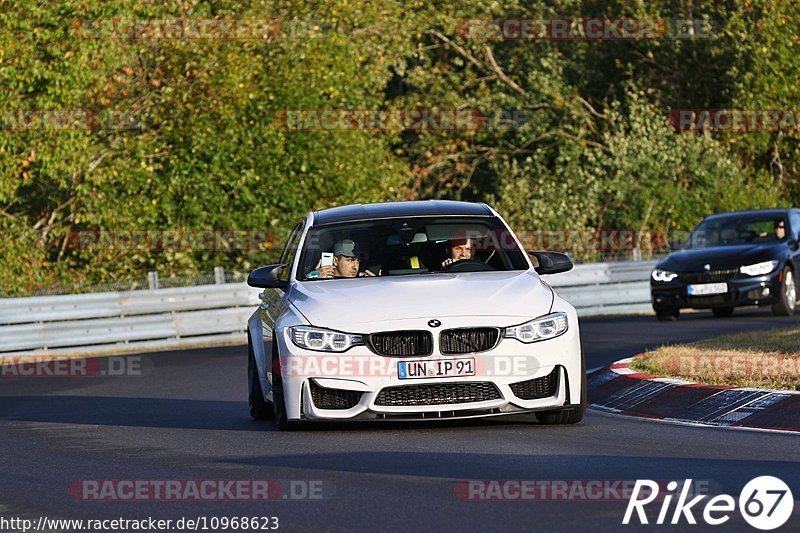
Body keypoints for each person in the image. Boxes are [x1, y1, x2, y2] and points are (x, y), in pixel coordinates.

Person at [307, 239, 377, 279]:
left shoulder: (363, 281)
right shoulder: (321, 281)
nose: (355, 267)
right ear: (335, 260)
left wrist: (375, 284)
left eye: (357, 261)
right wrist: (315, 277)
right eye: (350, 260)